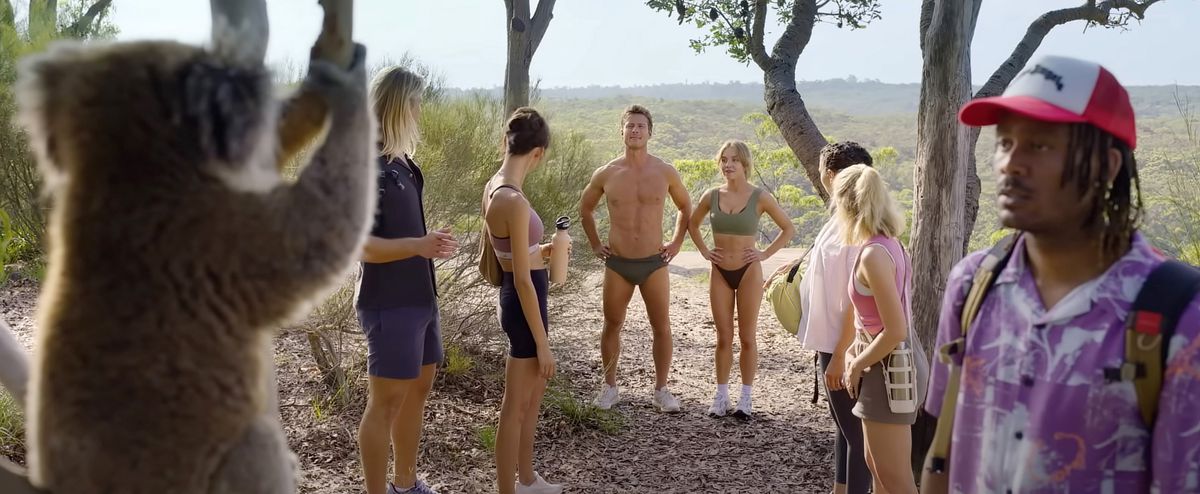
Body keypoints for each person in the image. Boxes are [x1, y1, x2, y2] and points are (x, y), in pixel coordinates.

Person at [922, 55, 1200, 493]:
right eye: (1006, 142)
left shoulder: (1179, 318)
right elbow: (943, 452)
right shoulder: (974, 286)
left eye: (1040, 145)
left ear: (1106, 167)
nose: (1010, 164)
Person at [355, 66, 457, 494]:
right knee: (385, 404)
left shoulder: (404, 165)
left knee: (419, 390)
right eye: (415, 102)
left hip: (421, 297)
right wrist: (418, 245)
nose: (420, 110)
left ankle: (406, 485)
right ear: (398, 105)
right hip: (388, 302)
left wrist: (426, 245)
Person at [766, 141, 875, 494]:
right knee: (843, 429)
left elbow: (855, 297)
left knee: (858, 436)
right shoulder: (839, 219)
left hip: (847, 347)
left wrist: (842, 353)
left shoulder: (859, 228)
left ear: (830, 176)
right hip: (830, 343)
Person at [580, 104, 693, 412]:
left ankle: (661, 390)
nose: (634, 130)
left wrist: (677, 241)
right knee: (612, 324)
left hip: (654, 263)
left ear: (649, 132)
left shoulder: (665, 171)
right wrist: (594, 244)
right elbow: (585, 209)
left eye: (640, 126)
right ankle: (610, 388)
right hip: (618, 263)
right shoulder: (607, 172)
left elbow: (686, 207)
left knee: (662, 326)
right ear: (622, 131)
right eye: (630, 125)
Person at [482, 107, 565, 494]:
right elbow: (520, 278)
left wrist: (548, 249)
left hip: (526, 291)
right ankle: (507, 489)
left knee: (530, 401)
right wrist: (543, 344)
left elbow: (513, 254)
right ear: (538, 153)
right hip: (523, 299)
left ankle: (528, 479)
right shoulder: (511, 199)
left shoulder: (496, 186)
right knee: (515, 407)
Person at [835, 164, 927, 494]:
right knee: (877, 468)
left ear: (846, 205)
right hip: (882, 362)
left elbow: (895, 329)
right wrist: (852, 350)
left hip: (889, 368)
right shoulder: (888, 244)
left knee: (896, 479)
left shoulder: (874, 254)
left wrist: (858, 363)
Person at [687, 140, 795, 418]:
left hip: (749, 272)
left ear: (745, 164)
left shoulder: (759, 197)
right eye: (724, 159)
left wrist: (764, 254)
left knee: (747, 337)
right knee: (723, 337)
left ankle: (745, 398)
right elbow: (692, 223)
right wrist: (703, 250)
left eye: (734, 159)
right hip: (720, 273)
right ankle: (721, 395)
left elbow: (788, 228)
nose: (728, 165)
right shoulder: (712, 195)